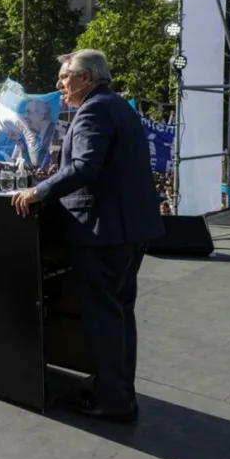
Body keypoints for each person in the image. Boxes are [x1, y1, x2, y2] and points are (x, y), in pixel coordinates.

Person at [12, 49, 163, 423]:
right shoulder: (117, 105)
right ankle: (118, 389)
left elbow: (85, 166)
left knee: (105, 318)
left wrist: (39, 191)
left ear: (86, 78)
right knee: (120, 314)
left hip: (102, 231)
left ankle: (113, 401)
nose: (59, 85)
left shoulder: (94, 110)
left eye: (65, 77)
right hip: (128, 228)